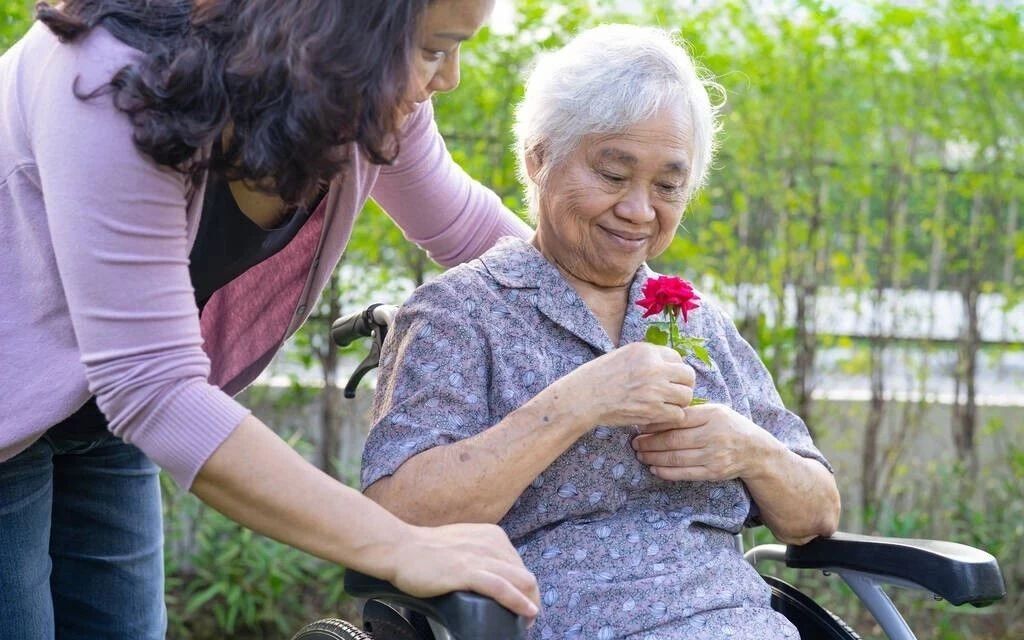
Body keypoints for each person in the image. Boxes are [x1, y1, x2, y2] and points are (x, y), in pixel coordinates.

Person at [0, 1, 541, 638]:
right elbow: (157, 390)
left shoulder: (359, 105)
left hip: (98, 410)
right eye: (433, 49)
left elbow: (469, 229)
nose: (447, 77)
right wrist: (399, 546)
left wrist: (651, 319)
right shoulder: (113, 77)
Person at [361, 25, 842, 639]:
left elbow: (816, 513)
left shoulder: (692, 318)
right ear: (539, 159)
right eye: (613, 175)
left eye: (668, 187)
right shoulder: (460, 313)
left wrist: (752, 450)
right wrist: (576, 403)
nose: (641, 210)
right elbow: (398, 516)